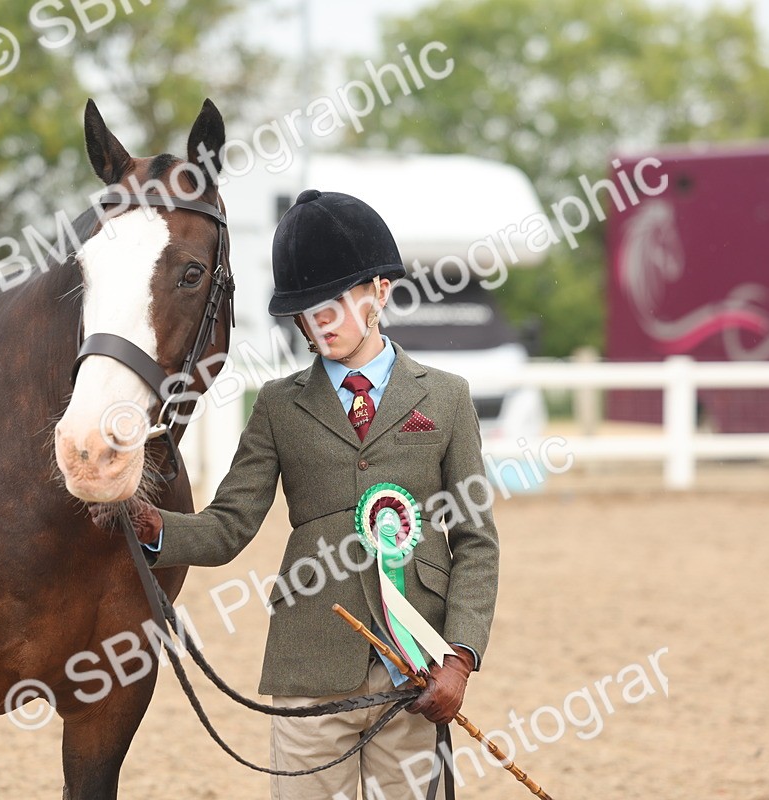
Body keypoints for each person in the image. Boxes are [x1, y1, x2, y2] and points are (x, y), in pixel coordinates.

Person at [123, 189, 499, 799]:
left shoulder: (447, 398)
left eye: (332, 303)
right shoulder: (278, 405)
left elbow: (476, 543)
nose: (317, 322)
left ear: (379, 291)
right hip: (309, 663)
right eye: (304, 310)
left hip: (415, 668)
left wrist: (460, 656)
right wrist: (155, 527)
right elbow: (229, 525)